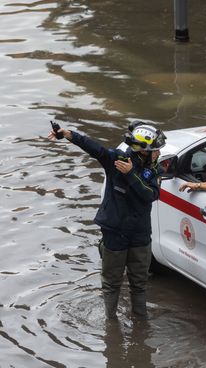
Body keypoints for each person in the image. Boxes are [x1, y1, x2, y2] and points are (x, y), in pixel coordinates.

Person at [48, 122, 166, 319]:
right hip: (115, 232)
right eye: (156, 151)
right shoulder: (116, 160)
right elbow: (94, 148)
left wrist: (130, 175)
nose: (159, 154)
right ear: (143, 151)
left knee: (139, 283)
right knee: (112, 283)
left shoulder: (153, 169)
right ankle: (111, 327)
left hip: (140, 233)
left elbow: (150, 195)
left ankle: (140, 323)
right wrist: (69, 134)